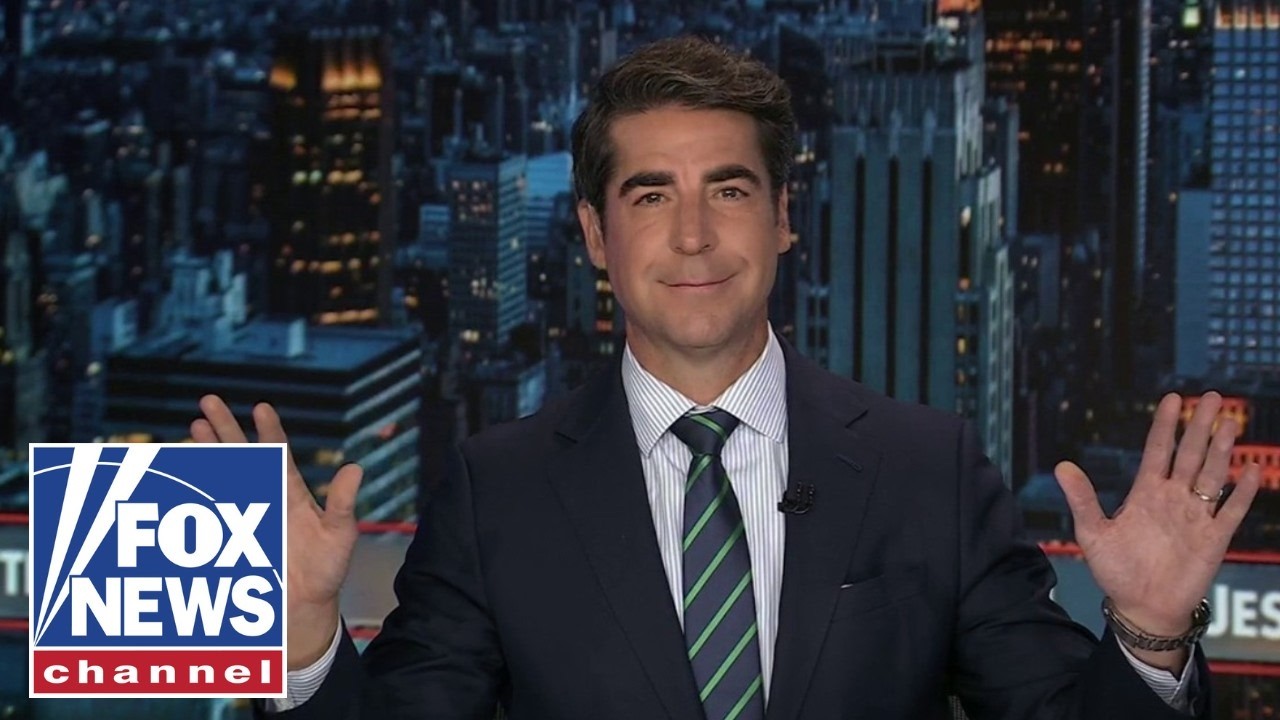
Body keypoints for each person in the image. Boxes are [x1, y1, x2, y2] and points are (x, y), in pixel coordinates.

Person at [194, 36, 1260, 719]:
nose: (695, 234)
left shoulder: (925, 468)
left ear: (785, 217)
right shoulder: (495, 489)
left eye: (731, 190)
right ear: (595, 236)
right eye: (651, 195)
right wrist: (305, 643)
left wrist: (1148, 635)